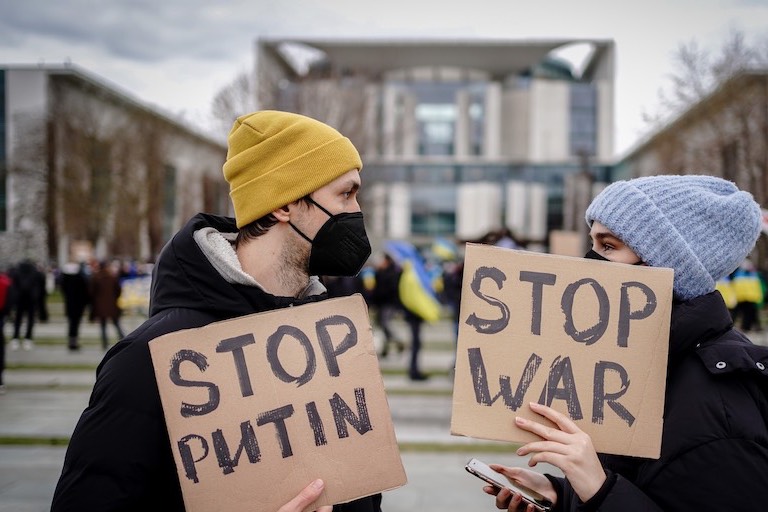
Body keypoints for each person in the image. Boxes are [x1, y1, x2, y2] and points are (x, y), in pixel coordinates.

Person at [52, 110, 380, 512]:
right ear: (285, 204)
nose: (358, 210)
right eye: (346, 194)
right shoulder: (151, 359)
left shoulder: (330, 343)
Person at [483, 175, 768, 511]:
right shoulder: (648, 361)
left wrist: (599, 489)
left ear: (664, 265)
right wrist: (563, 495)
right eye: (593, 243)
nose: (590, 261)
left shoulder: (719, 410)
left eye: (608, 246)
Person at [371, 253, 405, 357]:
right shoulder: (379, 272)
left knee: (385, 324)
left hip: (388, 303)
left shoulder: (392, 273)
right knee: (380, 326)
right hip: (380, 304)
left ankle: (397, 341)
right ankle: (385, 348)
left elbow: (390, 290)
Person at [8, 258, 46, 351]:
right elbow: (41, 286)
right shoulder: (35, 273)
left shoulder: (16, 272)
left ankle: (15, 338)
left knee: (17, 320)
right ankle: (27, 339)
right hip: (31, 300)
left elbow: (12, 286)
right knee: (30, 320)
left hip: (19, 300)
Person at [88, 260, 126, 350]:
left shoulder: (96, 277)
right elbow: (118, 290)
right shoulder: (112, 277)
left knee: (103, 326)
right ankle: (124, 341)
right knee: (117, 324)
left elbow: (91, 292)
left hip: (100, 305)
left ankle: (104, 344)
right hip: (112, 305)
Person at [59, 261, 91, 351]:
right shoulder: (81, 279)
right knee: (75, 324)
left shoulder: (65, 280)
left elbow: (63, 290)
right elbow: (86, 292)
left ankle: (71, 341)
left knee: (71, 323)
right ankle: (74, 341)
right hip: (78, 306)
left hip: (70, 305)